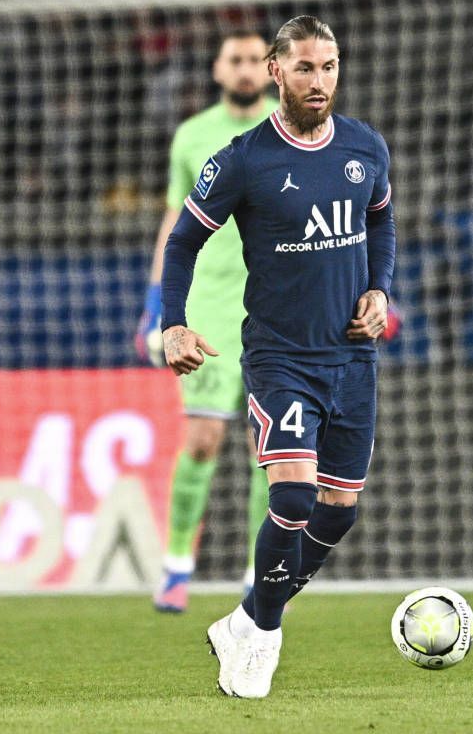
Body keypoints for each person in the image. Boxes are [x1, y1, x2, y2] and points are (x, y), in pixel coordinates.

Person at [160, 15, 395, 699]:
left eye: (329, 67)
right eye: (304, 68)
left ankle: (246, 620)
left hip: (352, 359)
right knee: (291, 495)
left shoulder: (364, 146)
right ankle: (263, 638)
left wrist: (380, 287)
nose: (319, 81)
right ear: (276, 72)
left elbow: (380, 220)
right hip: (281, 356)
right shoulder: (242, 159)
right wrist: (172, 324)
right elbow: (181, 243)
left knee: (339, 510)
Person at [138, 30, 280, 613]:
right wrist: (155, 306)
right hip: (207, 306)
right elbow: (175, 220)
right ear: (219, 70)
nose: (246, 70)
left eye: (255, 60)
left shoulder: (292, 127)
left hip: (276, 306)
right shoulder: (192, 135)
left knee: (267, 448)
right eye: (235, 60)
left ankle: (259, 574)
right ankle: (176, 568)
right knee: (202, 439)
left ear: (271, 70)